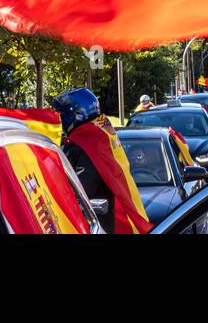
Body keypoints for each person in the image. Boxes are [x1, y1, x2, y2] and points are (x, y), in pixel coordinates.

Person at [51, 87, 152, 234]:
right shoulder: (100, 132)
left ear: (76, 115)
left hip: (96, 226)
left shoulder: (88, 145)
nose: (58, 119)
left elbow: (79, 191)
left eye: (61, 114)